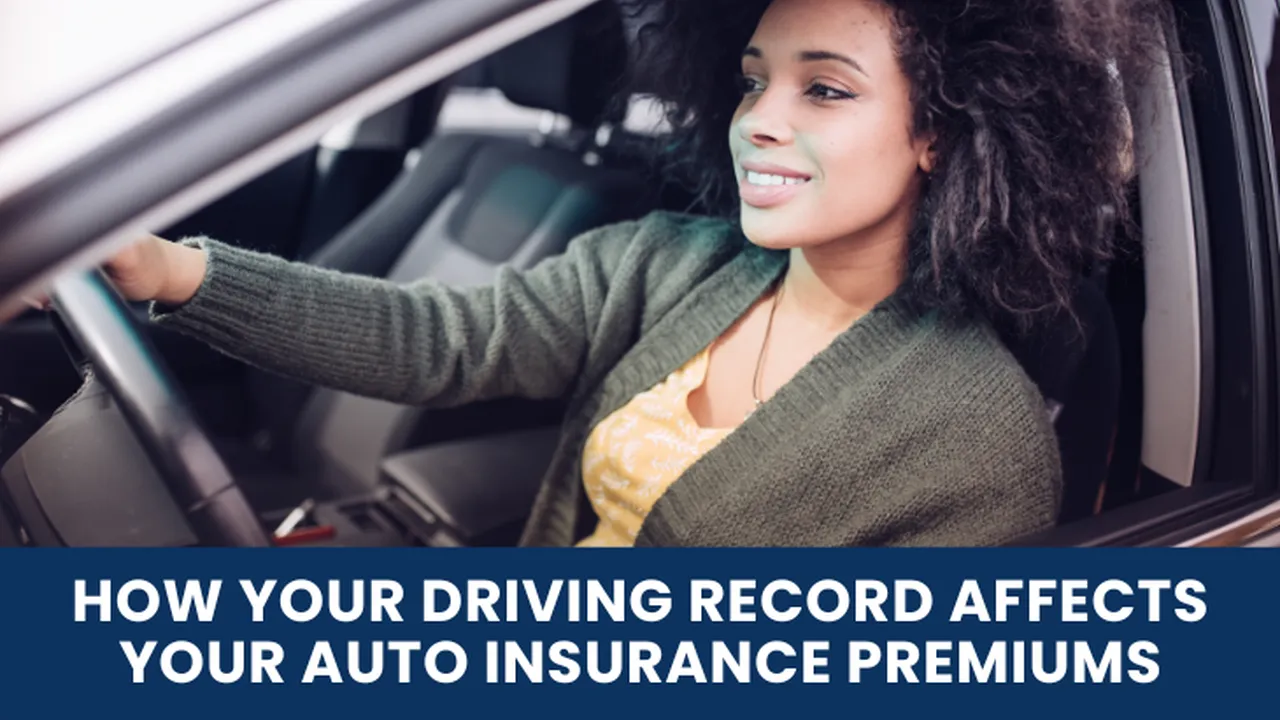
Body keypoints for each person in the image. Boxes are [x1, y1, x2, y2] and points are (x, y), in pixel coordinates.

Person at [59, 0, 1170, 547]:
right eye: (751, 82)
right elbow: (436, 340)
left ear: (944, 130)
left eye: (822, 90)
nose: (757, 125)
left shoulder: (977, 446)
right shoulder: (669, 264)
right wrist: (165, 268)